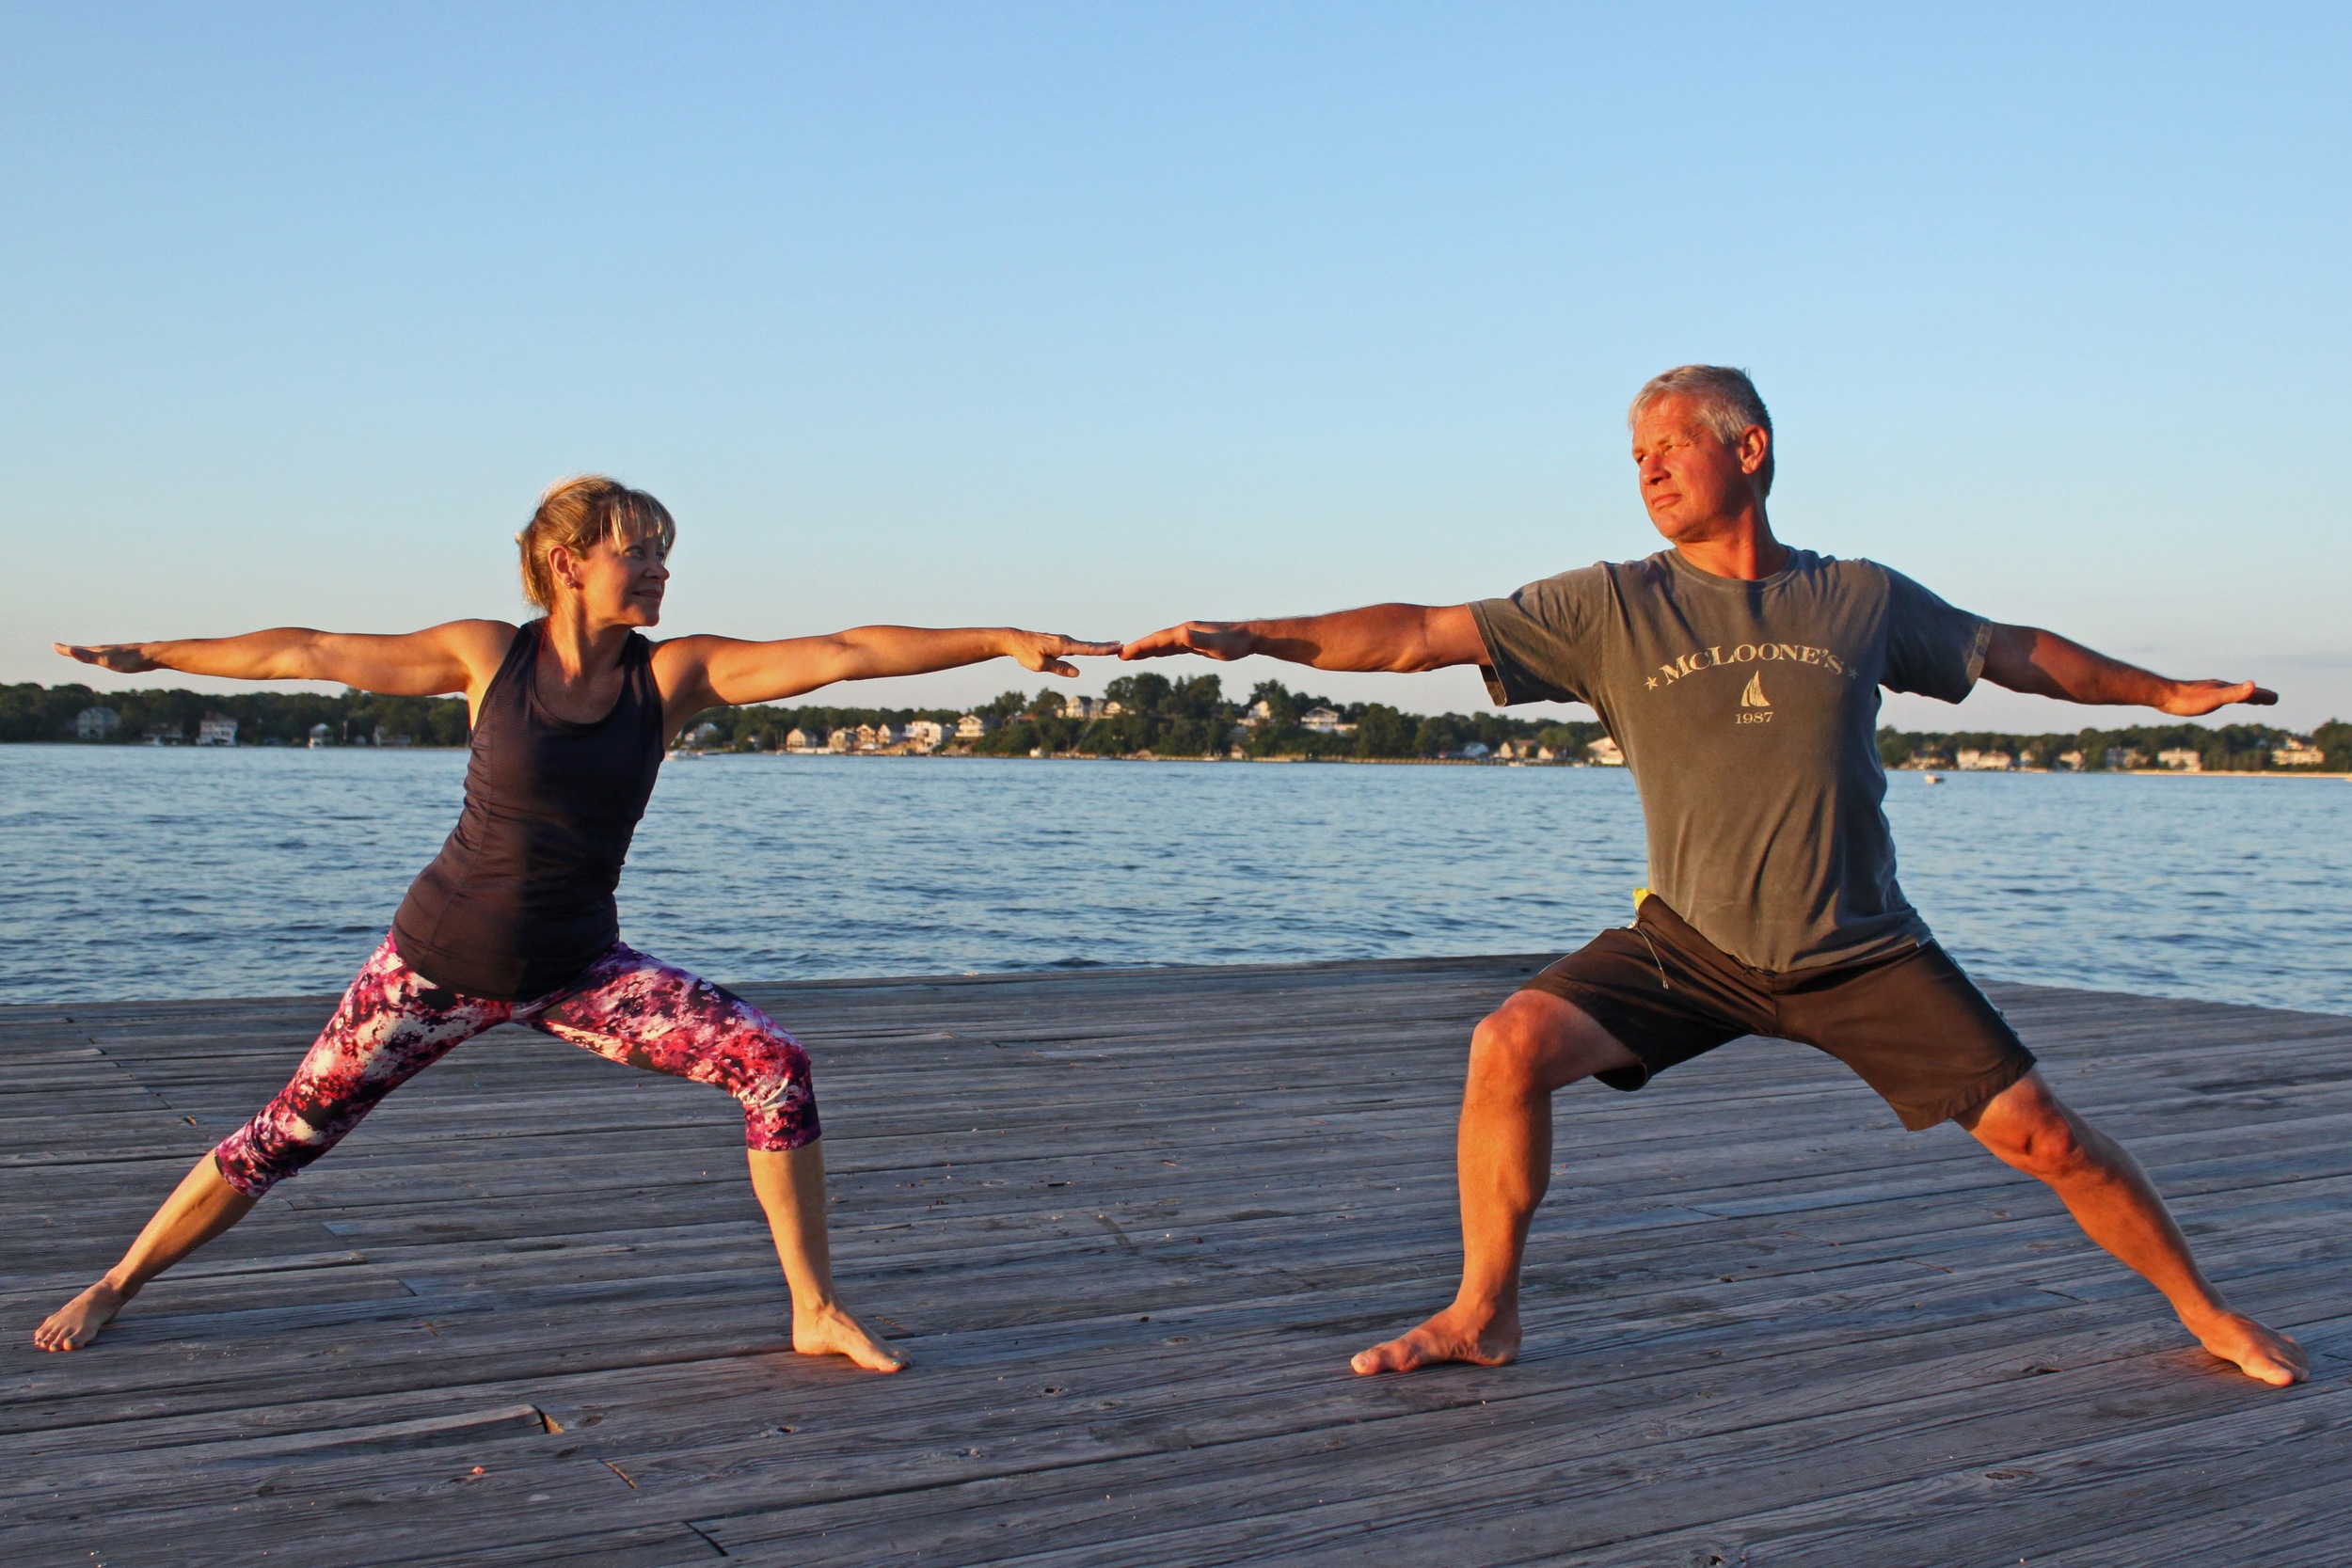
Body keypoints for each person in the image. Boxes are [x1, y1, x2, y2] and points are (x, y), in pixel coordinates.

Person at [1120, 365, 2308, 1387]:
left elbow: (2010, 653)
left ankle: (2204, 1311)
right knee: (1508, 1044)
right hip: (1688, 946)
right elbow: (1420, 633)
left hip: (1860, 950)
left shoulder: (1857, 597)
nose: (1647, 469)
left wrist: (2162, 692)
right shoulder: (1609, 604)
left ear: (1749, 449)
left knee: (2046, 1137)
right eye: (1633, 456)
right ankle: (1484, 1312)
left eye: (1669, 445)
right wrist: (1256, 635)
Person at [37, 475, 1117, 1368]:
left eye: (664, 554)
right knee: (285, 1135)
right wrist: (158, 654)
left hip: (577, 969)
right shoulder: (485, 655)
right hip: (429, 967)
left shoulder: (675, 674)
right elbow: (306, 651)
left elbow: (845, 650)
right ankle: (117, 1281)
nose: (658, 570)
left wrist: (997, 638)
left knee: (774, 1064)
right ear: (567, 562)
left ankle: (815, 1309)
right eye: (637, 551)